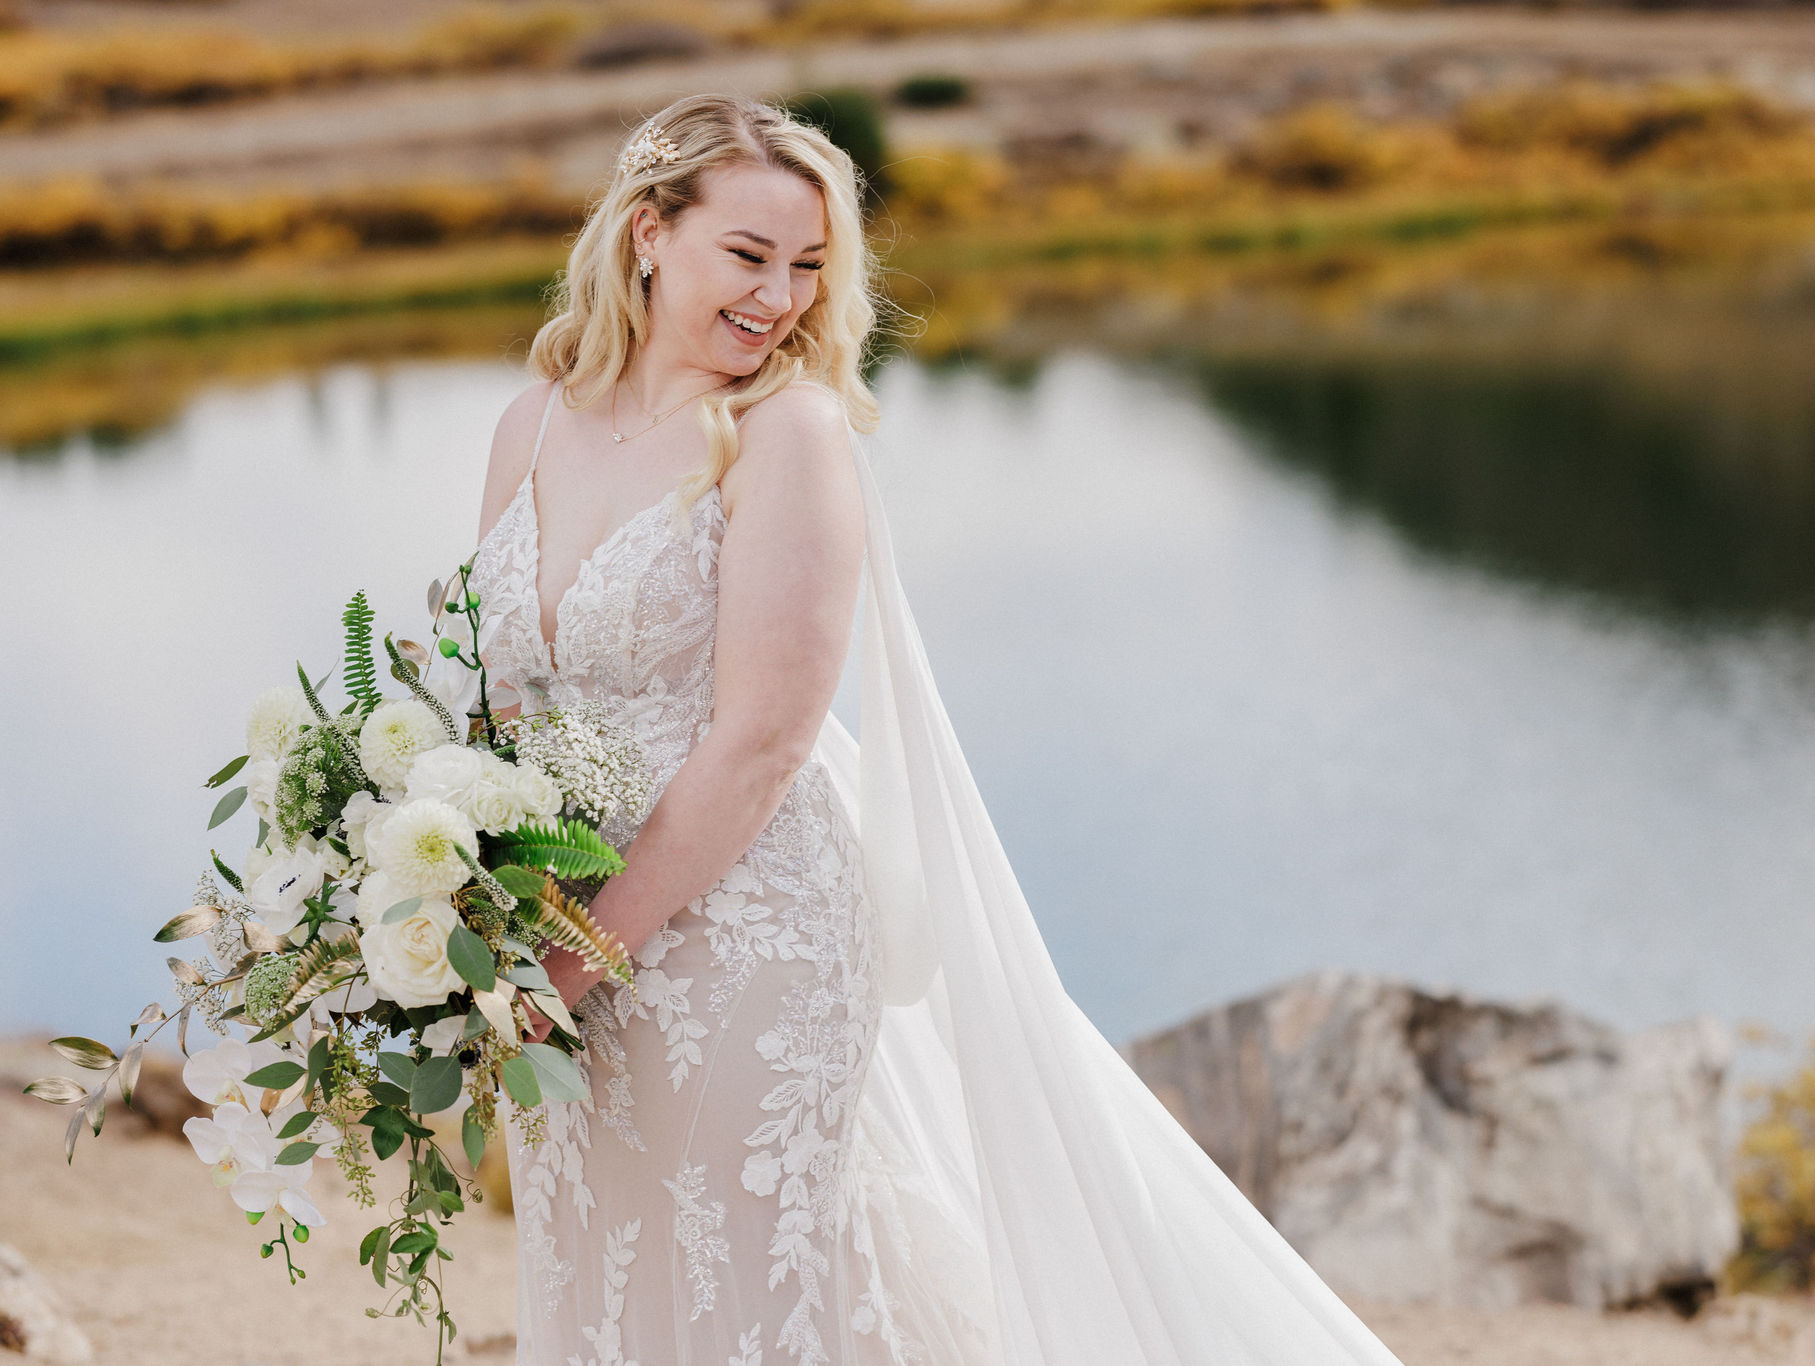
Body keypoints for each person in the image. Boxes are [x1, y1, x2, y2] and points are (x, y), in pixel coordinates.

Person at [467, 92, 1406, 1366]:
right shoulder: (533, 422)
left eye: (808, 266)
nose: (780, 298)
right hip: (559, 936)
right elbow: (498, 697)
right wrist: (474, 916)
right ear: (646, 233)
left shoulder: (781, 436)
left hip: (739, 943)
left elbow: (762, 745)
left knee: (747, 1295)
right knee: (599, 1271)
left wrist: (577, 958)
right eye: (748, 256)